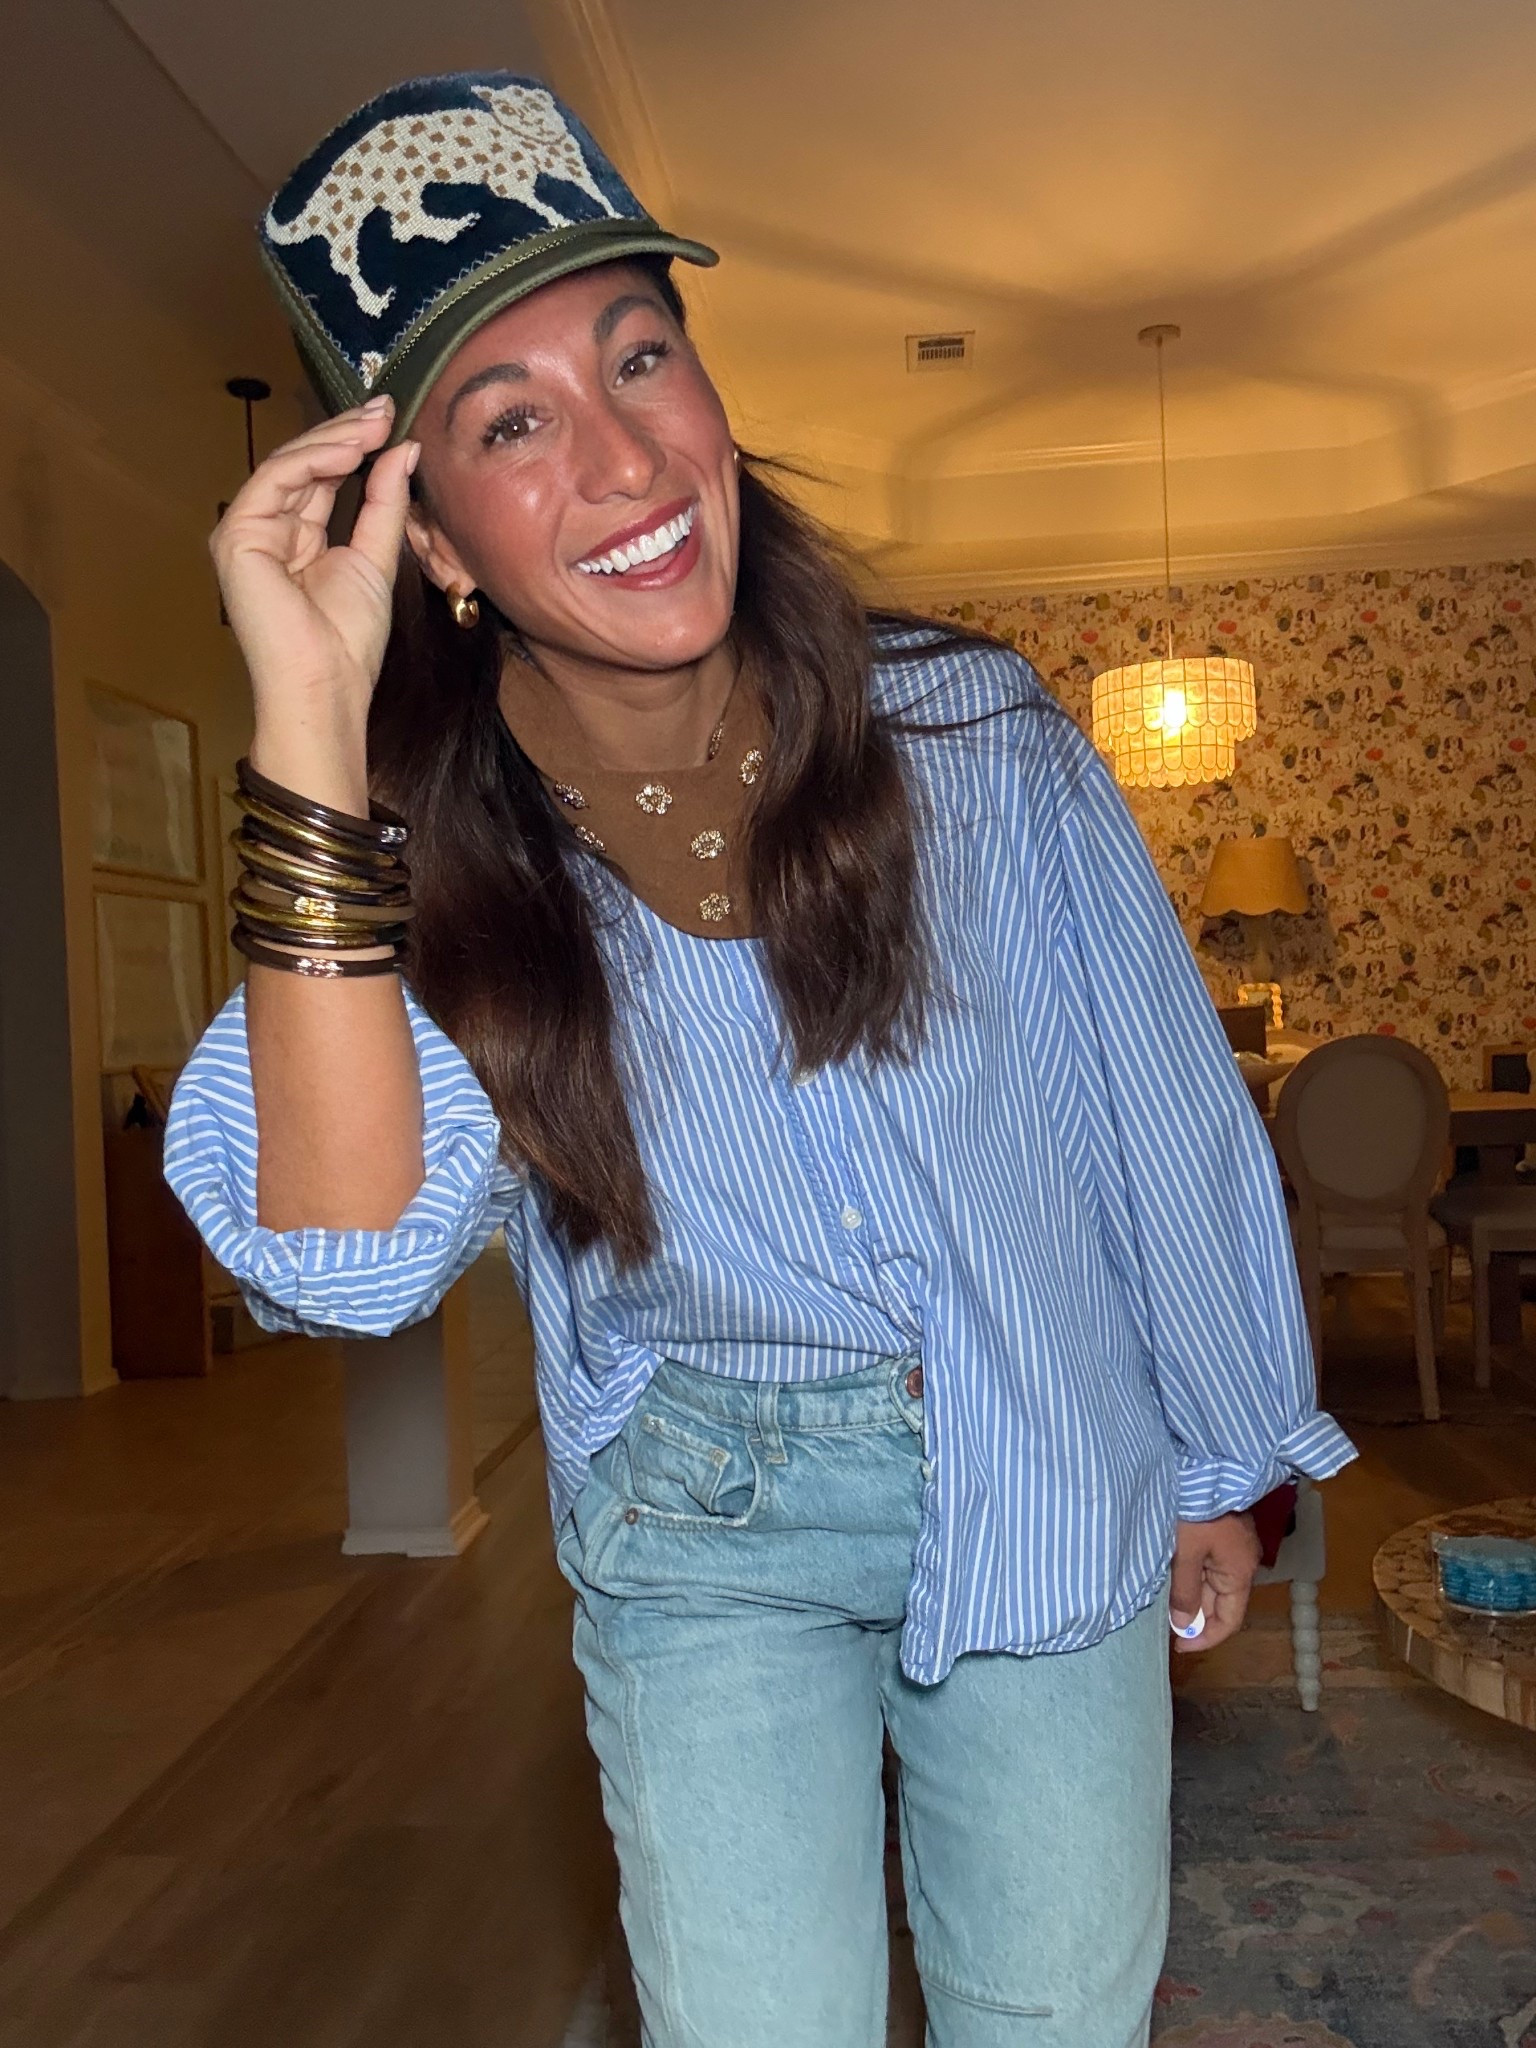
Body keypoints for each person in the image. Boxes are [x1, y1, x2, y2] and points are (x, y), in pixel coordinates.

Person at [166, 71, 1355, 2048]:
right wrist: (308, 719)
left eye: (642, 356)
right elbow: (350, 1261)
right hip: (706, 1524)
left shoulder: (975, 731)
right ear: (428, 531)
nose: (626, 457)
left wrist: (1221, 1457)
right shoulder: (425, 869)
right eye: (512, 422)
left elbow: (1154, 1114)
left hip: (1049, 1443)